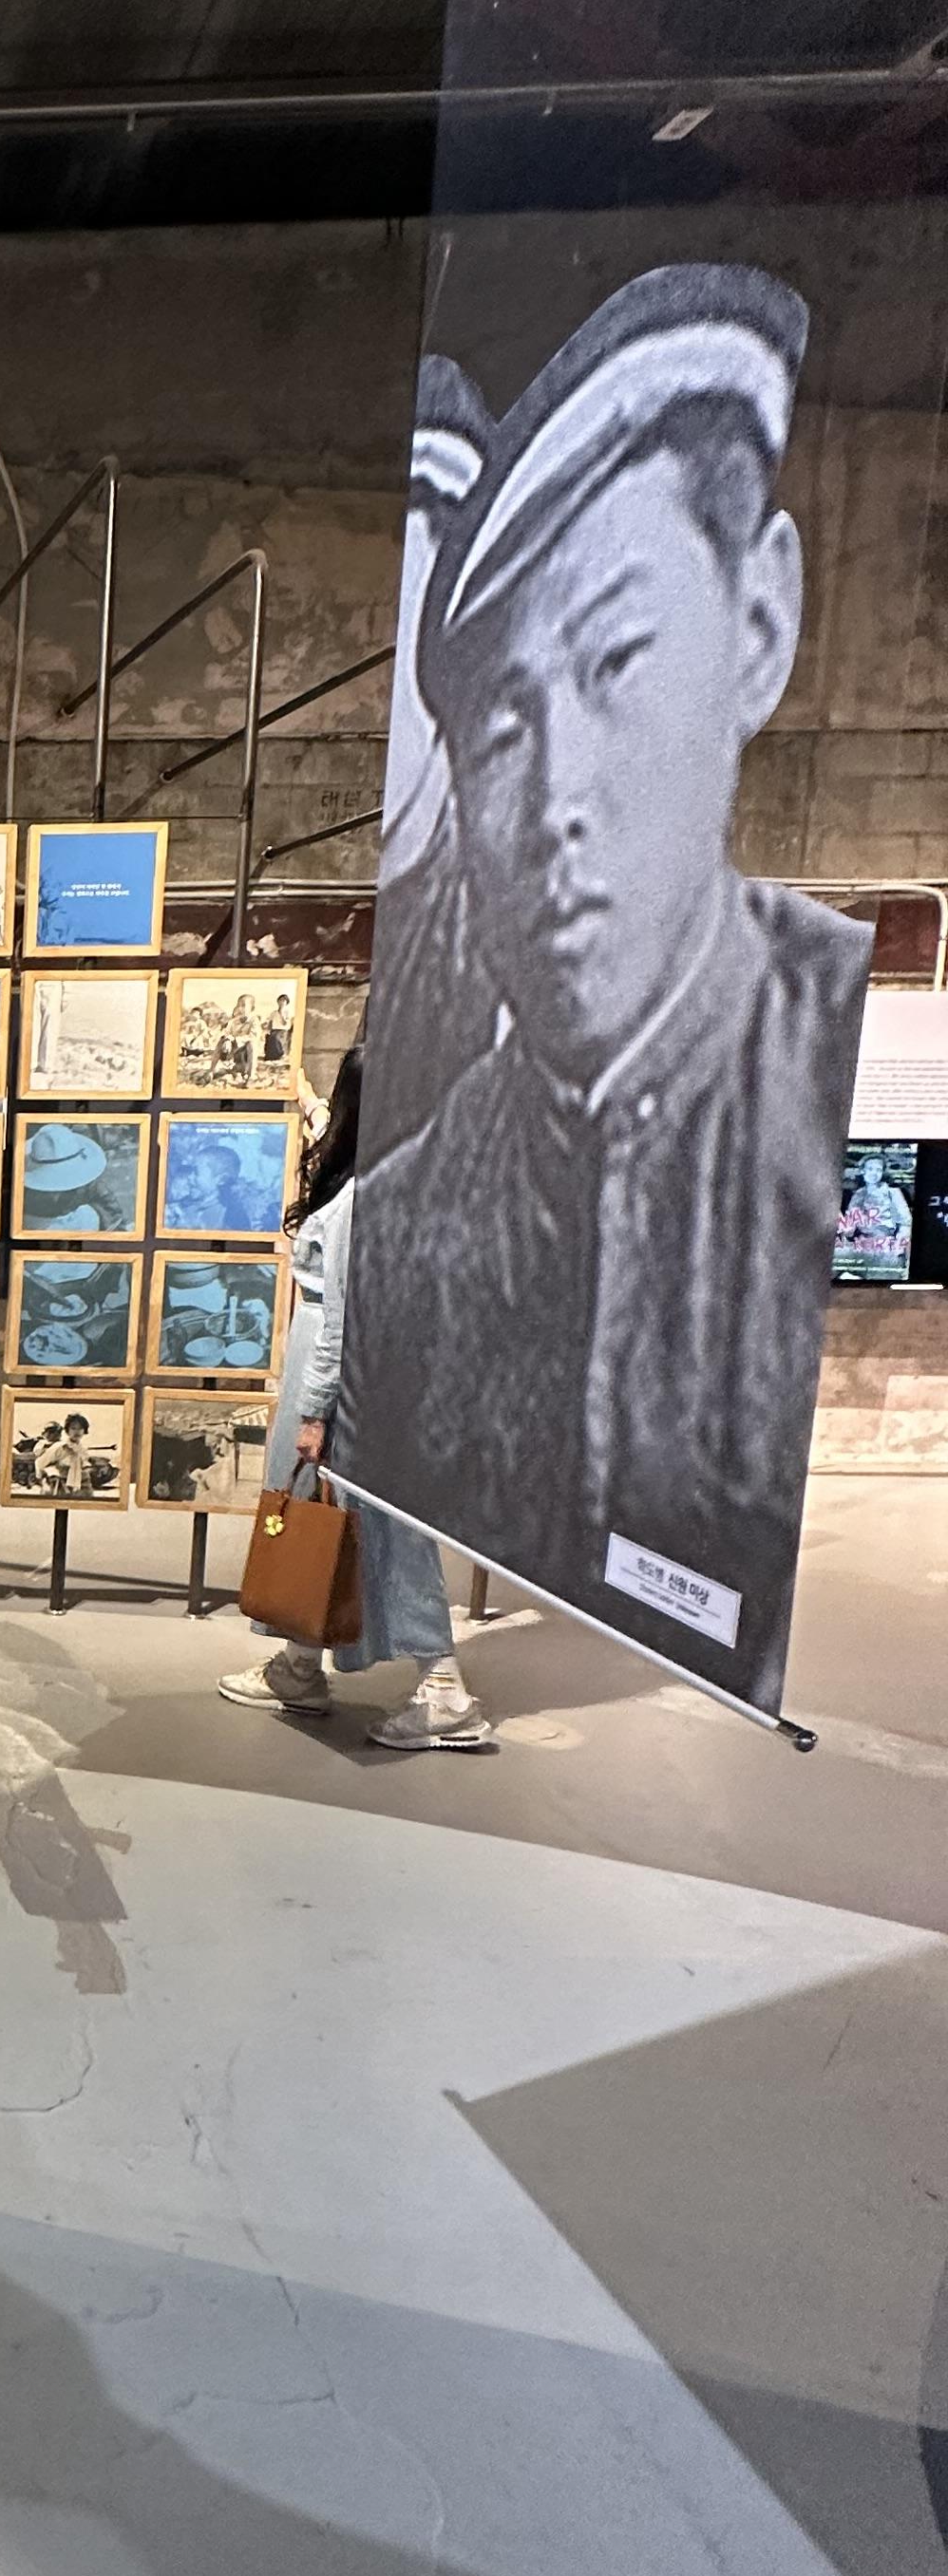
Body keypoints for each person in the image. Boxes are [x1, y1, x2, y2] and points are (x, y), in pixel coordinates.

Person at [337, 268, 869, 1708]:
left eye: (619, 658)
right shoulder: (413, 1217)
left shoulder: (809, 1073)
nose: (559, 798)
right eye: (502, 729)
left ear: (758, 626)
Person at [221, 1042, 495, 1750]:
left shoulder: (356, 1200)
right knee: (320, 1517)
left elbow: (342, 1316)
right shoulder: (400, 1178)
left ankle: (442, 1687)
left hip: (339, 1377)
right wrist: (308, 1103)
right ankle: (300, 1662)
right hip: (361, 1373)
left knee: (380, 1528)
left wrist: (316, 1411)